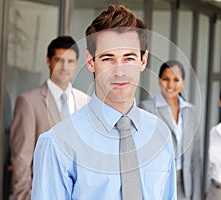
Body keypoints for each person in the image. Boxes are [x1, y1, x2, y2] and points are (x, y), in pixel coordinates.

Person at [31, 4, 176, 200]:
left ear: (143, 60)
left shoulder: (161, 134)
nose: (120, 71)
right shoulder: (58, 144)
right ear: (90, 62)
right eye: (108, 58)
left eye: (129, 58)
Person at [10, 36, 90, 200]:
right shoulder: (29, 102)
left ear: (76, 63)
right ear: (49, 61)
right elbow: (22, 159)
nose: (65, 67)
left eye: (70, 61)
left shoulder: (85, 101)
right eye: (59, 60)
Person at [139, 60, 202, 200]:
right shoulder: (147, 108)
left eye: (176, 80)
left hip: (185, 185)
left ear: (183, 83)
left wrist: (196, 195)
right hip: (157, 183)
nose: (170, 85)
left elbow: (195, 158)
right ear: (159, 80)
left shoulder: (191, 112)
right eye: (166, 79)